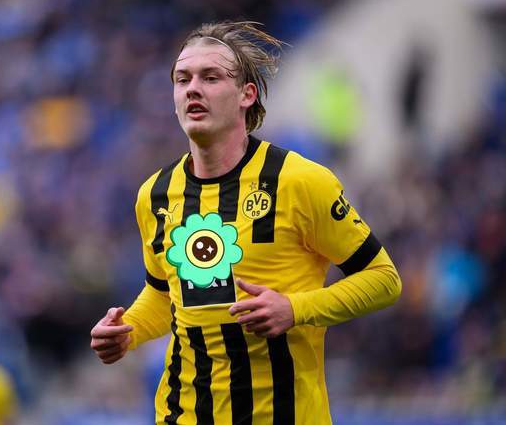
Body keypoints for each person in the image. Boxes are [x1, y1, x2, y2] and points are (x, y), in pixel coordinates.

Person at [91, 21, 402, 424]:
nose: (193, 89)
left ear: (246, 94)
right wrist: (127, 331)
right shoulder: (155, 194)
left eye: (211, 77)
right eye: (183, 79)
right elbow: (164, 294)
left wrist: (294, 308)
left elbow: (383, 279)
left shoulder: (300, 181)